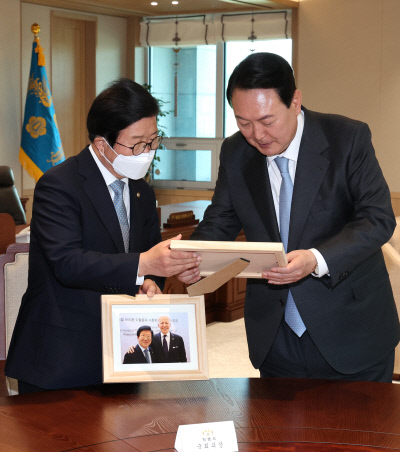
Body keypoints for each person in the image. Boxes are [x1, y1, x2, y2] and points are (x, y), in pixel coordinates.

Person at [179, 53, 400, 382]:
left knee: (359, 432)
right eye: (243, 122)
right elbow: (220, 220)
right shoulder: (236, 152)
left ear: (295, 101)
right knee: (278, 432)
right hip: (275, 333)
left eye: (268, 121)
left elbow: (377, 218)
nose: (257, 134)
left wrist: (315, 259)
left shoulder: (347, 138)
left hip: (352, 328)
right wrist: (191, 258)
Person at [5, 78, 200, 393]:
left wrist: (151, 280)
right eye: (137, 144)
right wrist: (142, 265)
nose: (147, 152)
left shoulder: (141, 190)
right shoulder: (59, 186)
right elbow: (67, 263)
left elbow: (148, 260)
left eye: (153, 140)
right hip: (63, 356)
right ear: (101, 144)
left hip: (126, 354)